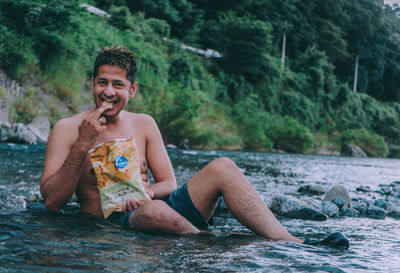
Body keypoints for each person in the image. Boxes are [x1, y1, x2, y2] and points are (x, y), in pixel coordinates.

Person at [40, 46, 349, 248]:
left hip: (152, 206)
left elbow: (169, 183)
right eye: (102, 82)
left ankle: (292, 241)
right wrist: (82, 144)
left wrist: (146, 192)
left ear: (132, 90)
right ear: (92, 83)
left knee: (223, 168)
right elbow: (53, 201)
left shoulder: (144, 123)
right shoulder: (67, 129)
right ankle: (215, 242)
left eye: (118, 85)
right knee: (155, 212)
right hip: (112, 224)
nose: (108, 91)